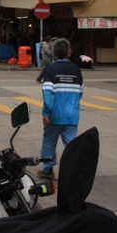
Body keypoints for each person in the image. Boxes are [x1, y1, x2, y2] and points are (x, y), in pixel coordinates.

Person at [37, 37, 84, 181]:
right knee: (71, 144)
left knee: (49, 142)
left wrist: (46, 113)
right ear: (69, 52)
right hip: (72, 114)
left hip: (54, 115)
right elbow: (80, 91)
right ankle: (75, 171)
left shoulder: (50, 69)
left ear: (54, 53)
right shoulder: (76, 69)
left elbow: (48, 94)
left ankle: (48, 170)